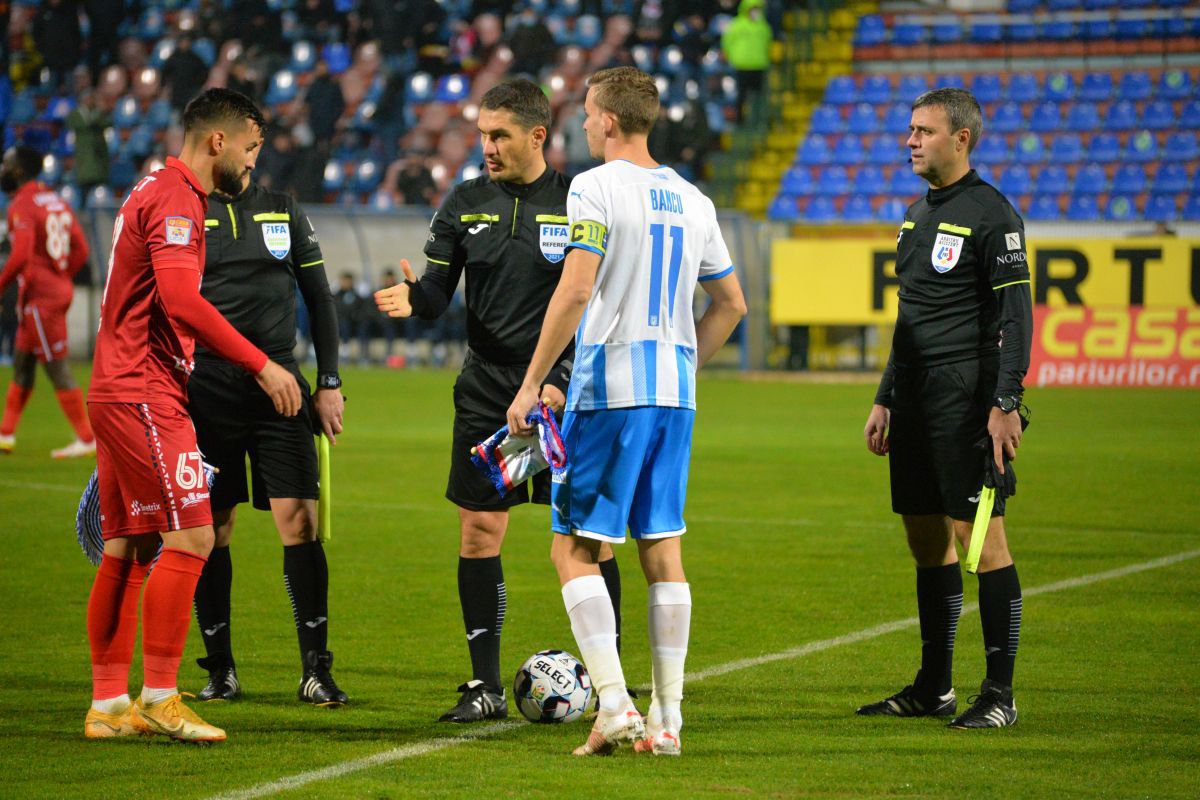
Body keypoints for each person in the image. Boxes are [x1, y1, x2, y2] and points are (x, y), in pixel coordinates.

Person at [505, 66, 747, 757]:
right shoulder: (693, 199)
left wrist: (530, 385)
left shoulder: (595, 186)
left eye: (586, 115)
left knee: (572, 548)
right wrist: (683, 362)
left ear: (609, 120)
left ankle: (613, 706)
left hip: (610, 390)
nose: (583, 125)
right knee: (662, 551)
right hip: (675, 392)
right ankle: (667, 721)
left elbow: (576, 290)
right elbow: (732, 304)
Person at [375, 78, 626, 723]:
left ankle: (611, 684)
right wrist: (414, 298)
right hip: (488, 390)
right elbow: (436, 297)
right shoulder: (463, 203)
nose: (485, 147)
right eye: (482, 135)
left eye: (498, 136)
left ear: (537, 135)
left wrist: (559, 376)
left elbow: (593, 302)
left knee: (589, 539)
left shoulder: (579, 200)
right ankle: (484, 688)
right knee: (479, 531)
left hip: (565, 391)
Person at [83, 88, 302, 743]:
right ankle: (160, 695)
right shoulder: (178, 197)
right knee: (195, 535)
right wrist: (261, 363)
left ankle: (108, 706)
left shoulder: (148, 186)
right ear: (219, 141)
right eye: (252, 147)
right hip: (144, 390)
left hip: (118, 384)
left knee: (131, 543)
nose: (253, 162)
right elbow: (180, 299)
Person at [860, 88, 1032, 729]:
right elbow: (912, 318)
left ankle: (1000, 695)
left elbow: (1016, 318)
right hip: (913, 401)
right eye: (909, 129)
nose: (911, 140)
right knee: (925, 539)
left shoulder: (993, 216)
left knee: (979, 541)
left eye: (924, 131)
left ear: (960, 139)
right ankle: (934, 688)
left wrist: (1005, 404)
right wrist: (885, 397)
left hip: (967, 400)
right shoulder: (914, 215)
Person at [186, 170, 347, 706]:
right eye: (245, 146)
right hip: (206, 389)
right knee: (213, 529)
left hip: (281, 387)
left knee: (301, 522)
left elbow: (319, 298)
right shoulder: (186, 212)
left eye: (258, 147)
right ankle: (221, 670)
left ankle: (316, 671)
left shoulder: (284, 208)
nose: (252, 158)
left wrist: (328, 382)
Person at [0, 146, 94, 458]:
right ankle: (6, 434)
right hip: (53, 290)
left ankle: (86, 437)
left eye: (7, 164)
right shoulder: (56, 199)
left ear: (18, 170)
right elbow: (81, 249)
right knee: (23, 364)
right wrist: (60, 274)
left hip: (41, 297)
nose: (4, 169)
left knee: (56, 367)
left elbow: (21, 255)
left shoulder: (23, 204)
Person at [720, 0, 772, 124]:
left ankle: (759, 120)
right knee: (740, 96)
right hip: (741, 65)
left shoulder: (763, 26)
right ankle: (740, 121)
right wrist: (728, 55)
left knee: (759, 97)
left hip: (759, 65)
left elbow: (767, 44)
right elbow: (726, 42)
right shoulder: (736, 25)